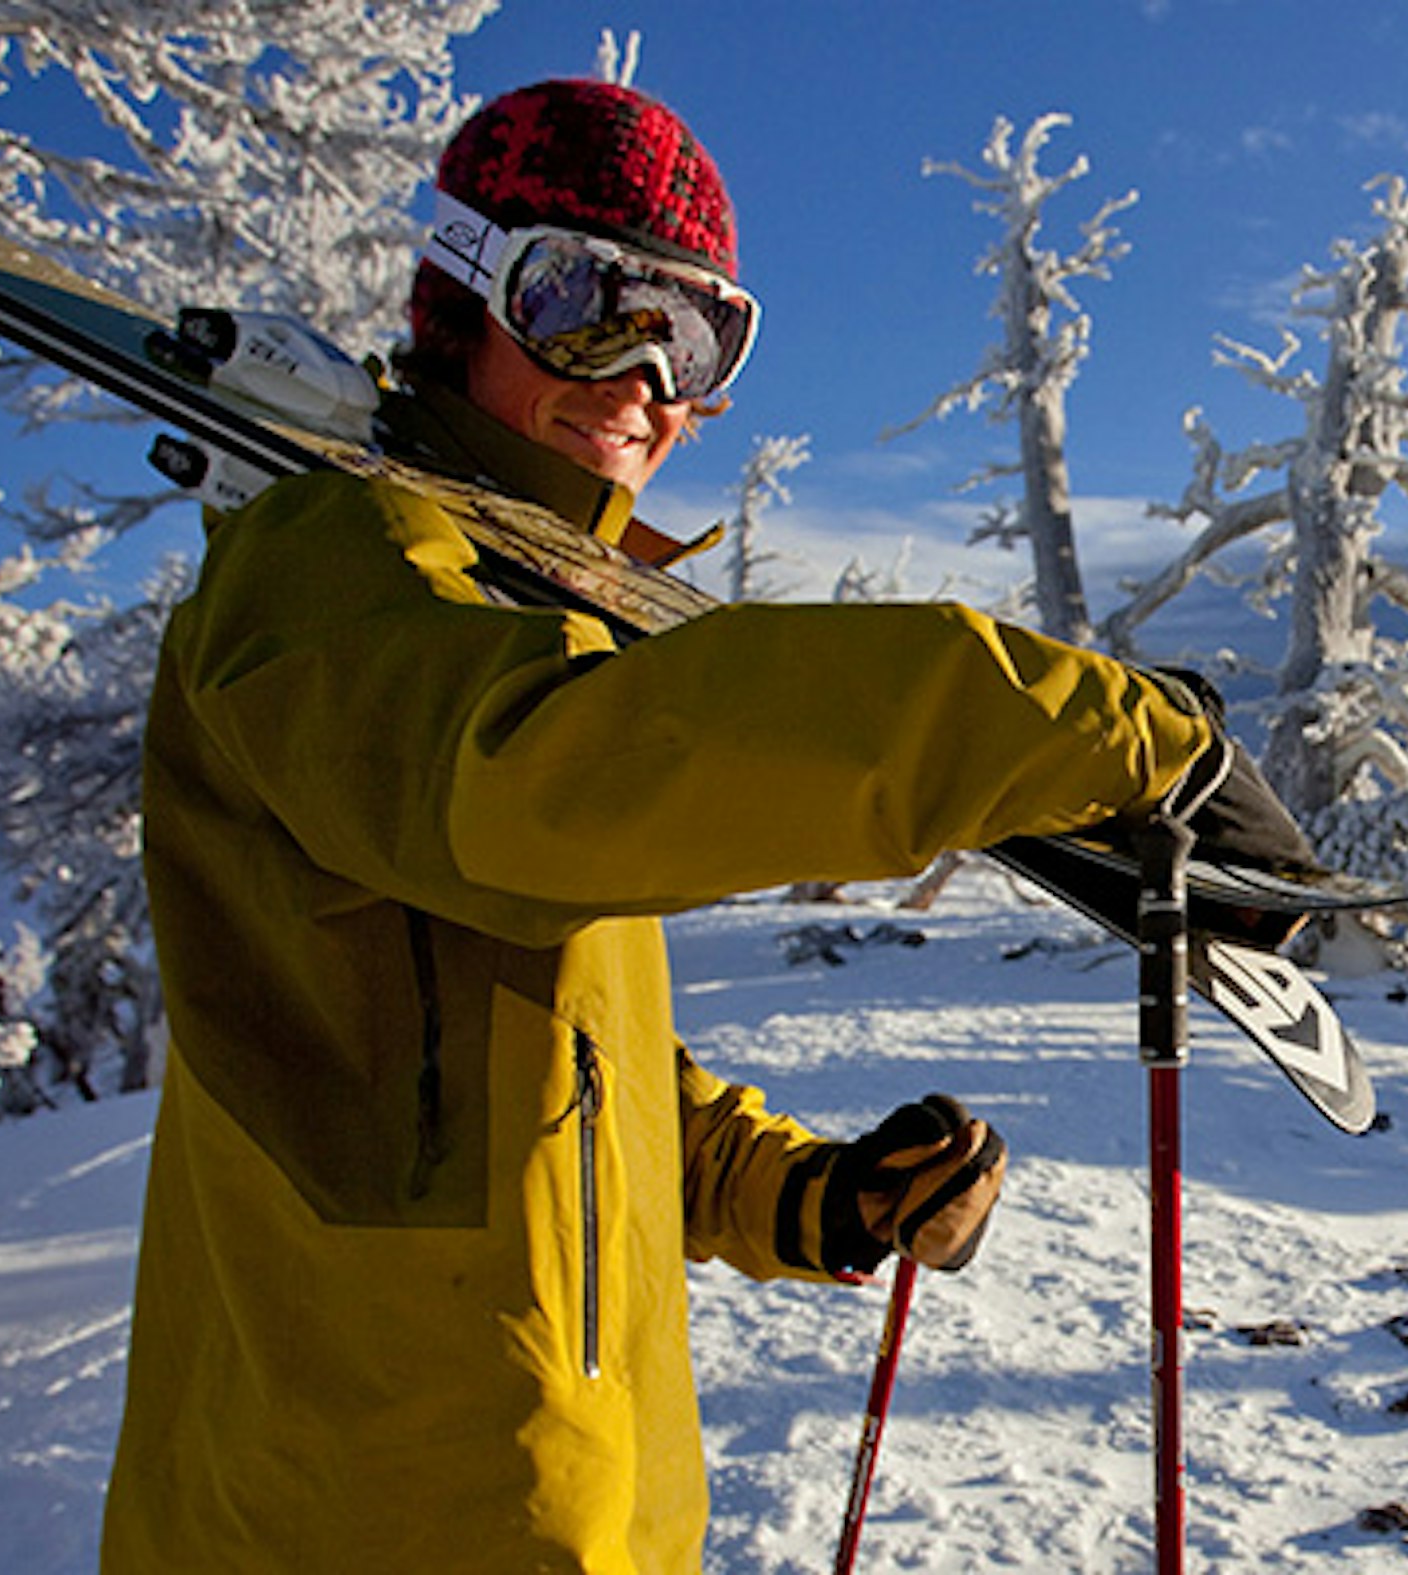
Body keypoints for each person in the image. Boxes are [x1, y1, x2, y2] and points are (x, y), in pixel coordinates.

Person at [100, 78, 1268, 1573]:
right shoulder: (334, 567)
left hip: (574, 1515)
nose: (643, 374)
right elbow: (550, 777)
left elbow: (565, 1079)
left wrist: (807, 1195)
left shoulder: (522, 616)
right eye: (583, 302)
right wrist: (1089, 730)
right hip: (363, 1523)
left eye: (695, 332)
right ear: (462, 294)